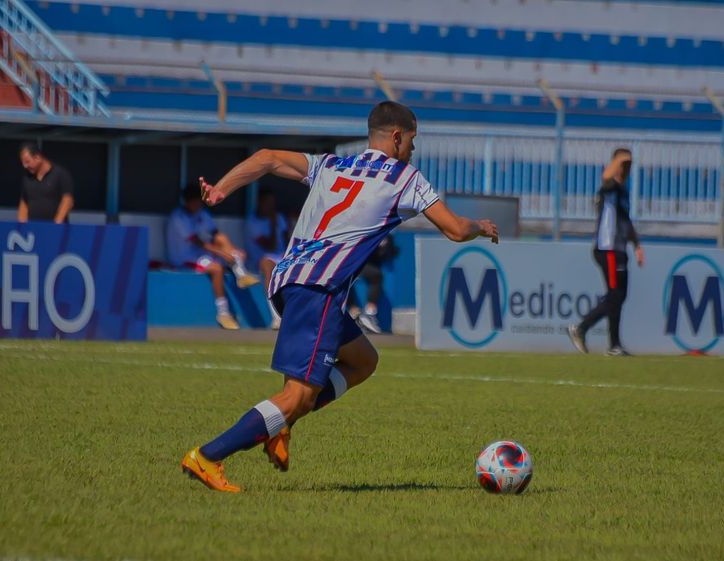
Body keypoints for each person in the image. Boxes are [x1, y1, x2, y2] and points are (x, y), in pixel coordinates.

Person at [181, 101, 499, 492]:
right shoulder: (405, 177)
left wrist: (221, 190)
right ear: (397, 137)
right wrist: (480, 225)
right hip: (319, 289)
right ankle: (209, 456)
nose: (413, 149)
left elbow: (265, 158)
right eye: (412, 140)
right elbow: (454, 229)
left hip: (288, 280)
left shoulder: (333, 165)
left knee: (363, 360)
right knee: (296, 396)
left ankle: (282, 425)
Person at [568, 148, 645, 357]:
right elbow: (605, 176)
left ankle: (614, 344)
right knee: (614, 295)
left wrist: (637, 246)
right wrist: (619, 159)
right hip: (607, 248)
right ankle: (582, 328)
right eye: (624, 165)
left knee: (620, 296)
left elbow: (626, 221)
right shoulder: (609, 188)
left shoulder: (623, 192)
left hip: (619, 249)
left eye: (629, 165)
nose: (627, 169)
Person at [166, 183, 260, 330]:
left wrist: (234, 251)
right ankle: (223, 314)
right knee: (217, 269)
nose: (199, 204)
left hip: (202, 254)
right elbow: (197, 241)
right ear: (188, 201)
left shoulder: (202, 213)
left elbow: (215, 235)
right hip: (184, 259)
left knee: (222, 238)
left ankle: (241, 274)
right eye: (196, 201)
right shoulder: (178, 217)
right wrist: (223, 254)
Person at [245, 190, 291, 329]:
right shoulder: (252, 222)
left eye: (272, 203)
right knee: (268, 267)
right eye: (267, 203)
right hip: (262, 258)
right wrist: (272, 225)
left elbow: (286, 241)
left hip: (281, 255)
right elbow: (270, 245)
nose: (271, 206)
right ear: (259, 203)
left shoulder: (279, 218)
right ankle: (276, 316)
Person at [348, 234, 399, 334]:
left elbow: (387, 253)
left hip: (368, 265)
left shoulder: (385, 235)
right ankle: (354, 311)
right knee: (345, 278)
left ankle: (369, 313)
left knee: (376, 275)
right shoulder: (363, 231)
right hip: (354, 264)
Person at [17, 142, 74, 223]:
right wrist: (22, 225)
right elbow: (24, 202)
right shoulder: (27, 178)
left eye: (27, 162)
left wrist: (56, 224)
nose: (25, 166)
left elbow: (67, 201)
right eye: (23, 163)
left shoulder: (60, 174)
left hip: (55, 229)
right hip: (32, 230)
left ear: (37, 157)